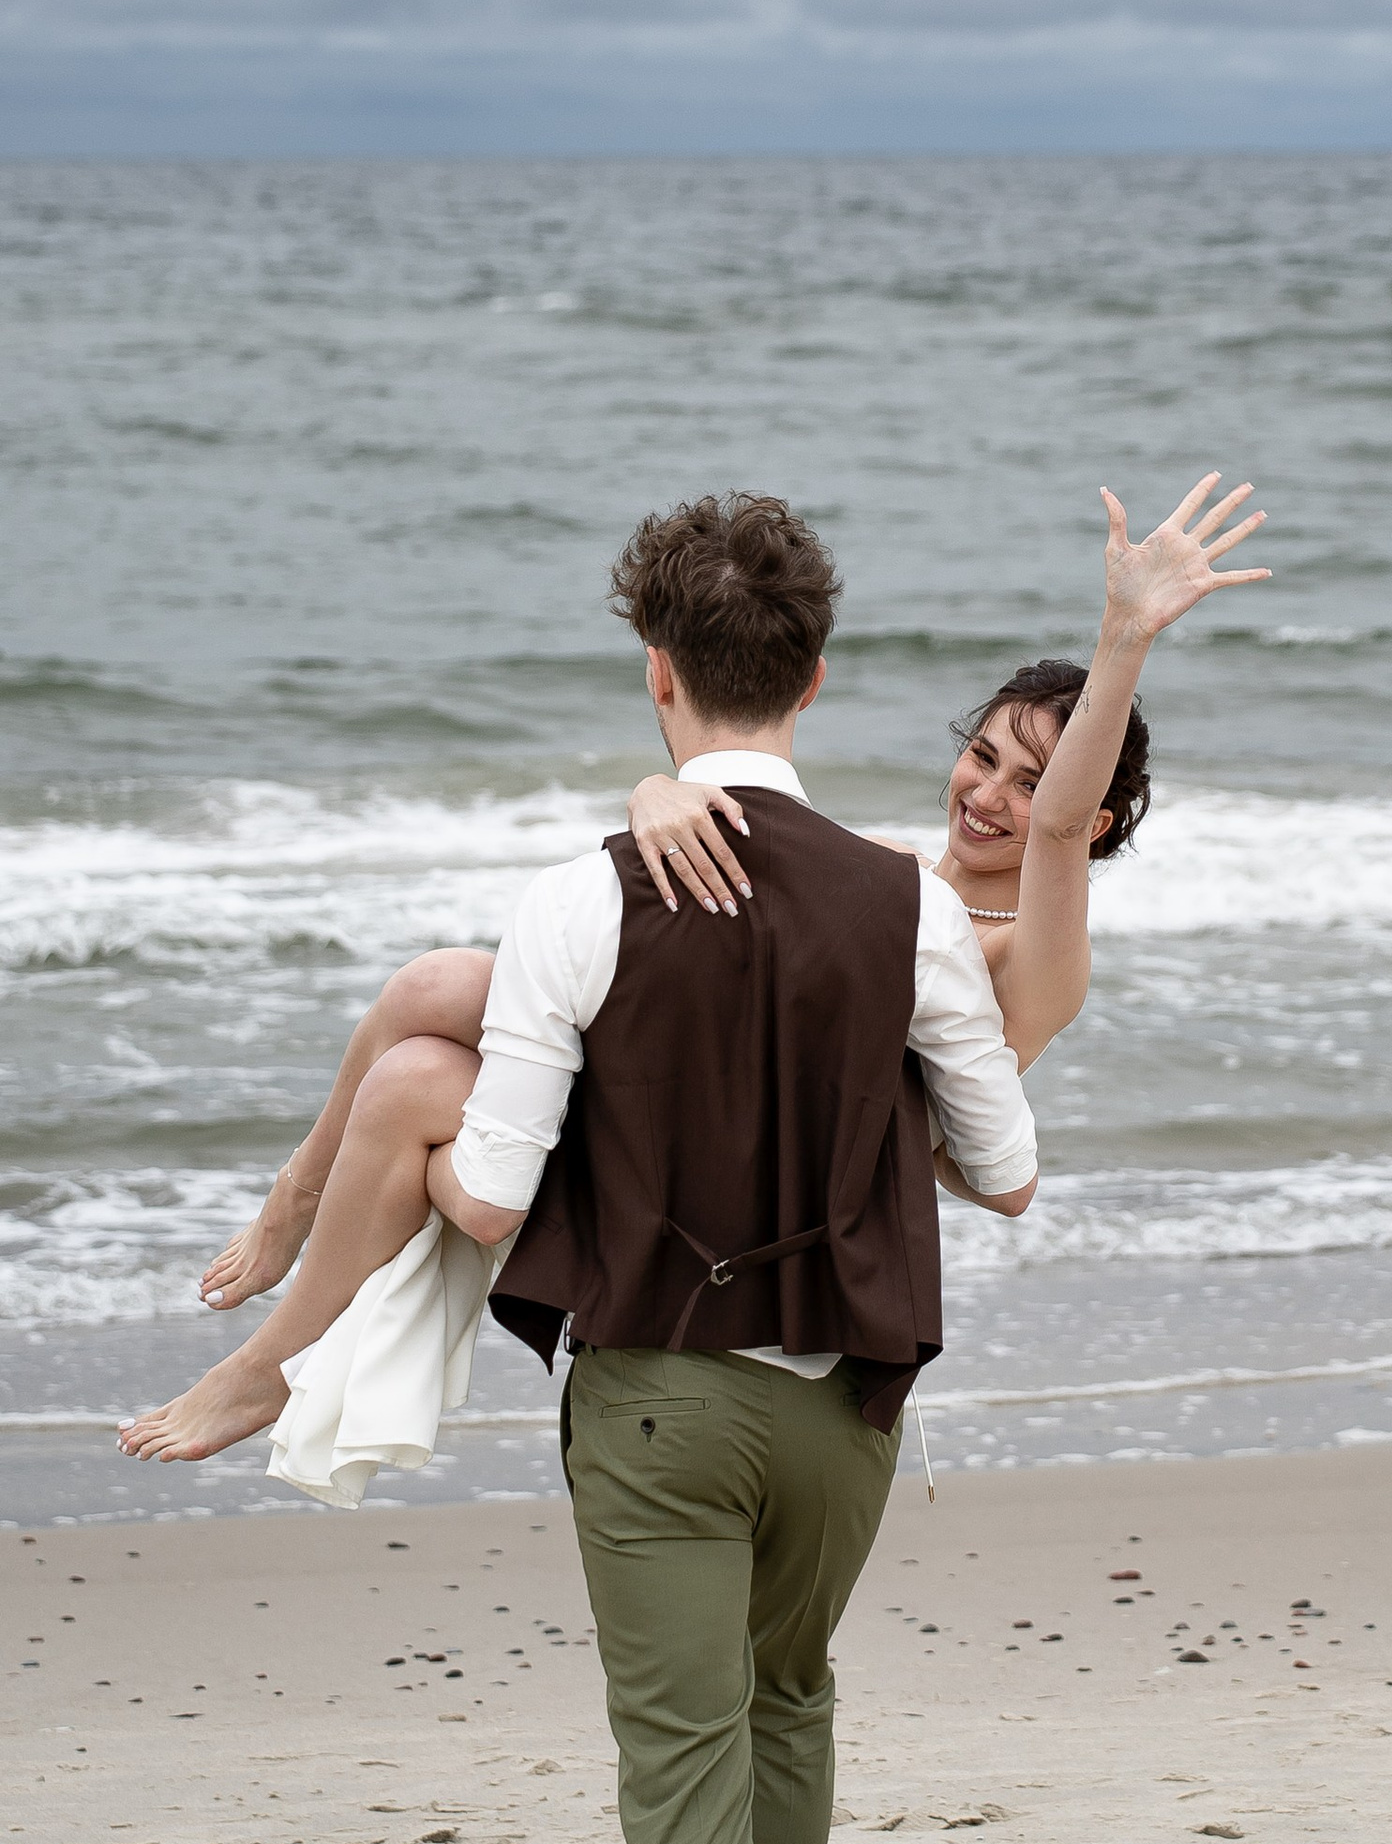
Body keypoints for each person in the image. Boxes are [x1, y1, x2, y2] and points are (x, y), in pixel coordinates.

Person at [122, 476, 1265, 1467]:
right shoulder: (899, 881)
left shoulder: (1039, 944)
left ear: (1095, 813)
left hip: (783, 1191)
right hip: (703, 1111)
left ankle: (272, 1362)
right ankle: (291, 1213)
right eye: (981, 756)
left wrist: (1127, 636)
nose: (990, 795)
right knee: (422, 1019)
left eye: (1031, 780)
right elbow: (763, 821)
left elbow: (1048, 844)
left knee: (424, 1061)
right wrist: (657, 791)